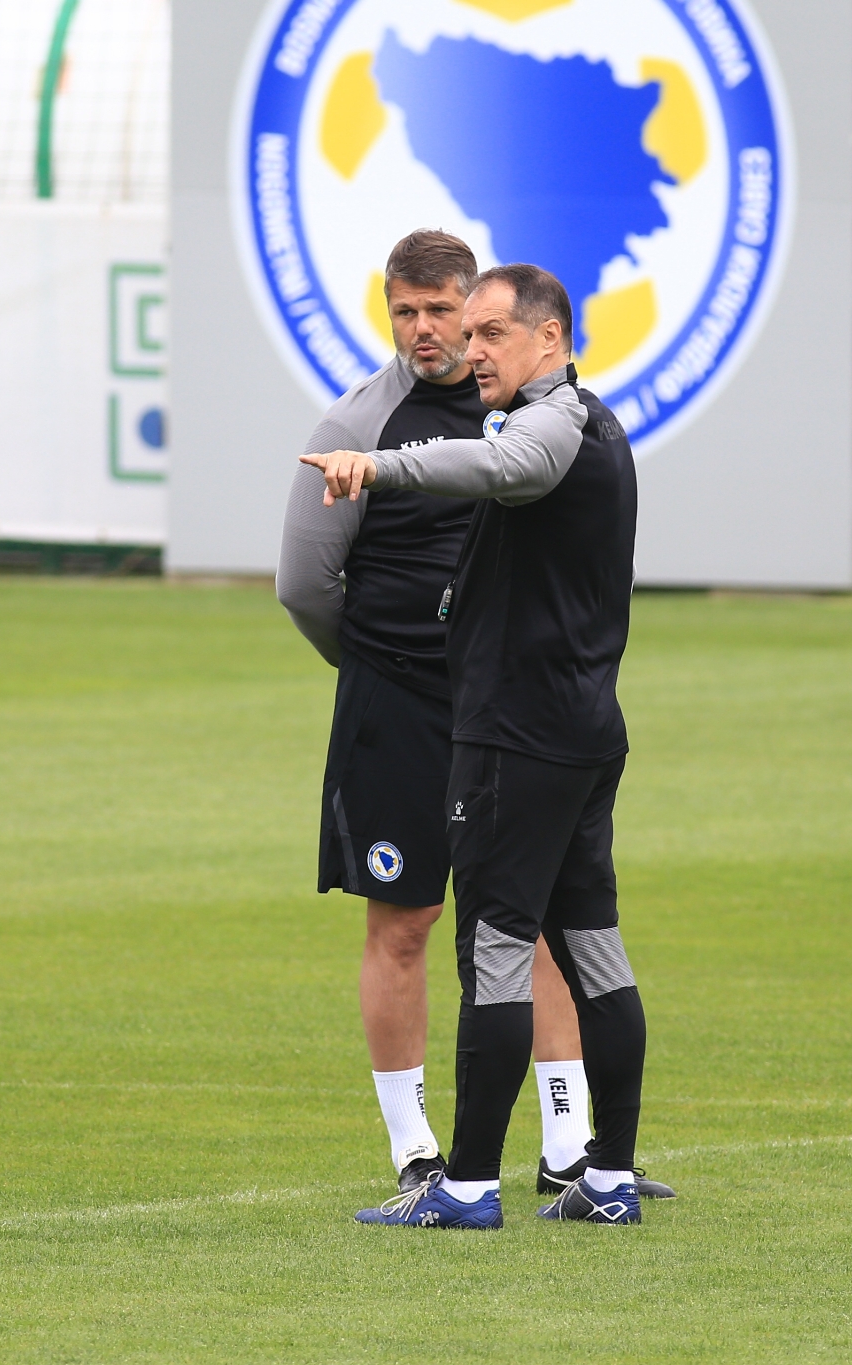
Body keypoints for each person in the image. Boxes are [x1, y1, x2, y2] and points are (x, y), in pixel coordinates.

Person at [276, 231, 628, 1202]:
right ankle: (414, 1149)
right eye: (406, 312)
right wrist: (378, 666)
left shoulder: (519, 412)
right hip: (397, 707)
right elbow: (303, 583)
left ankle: (568, 1146)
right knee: (405, 924)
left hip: (506, 709)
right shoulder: (358, 421)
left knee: (531, 917)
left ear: (478, 314)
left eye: (444, 312)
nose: (427, 331)